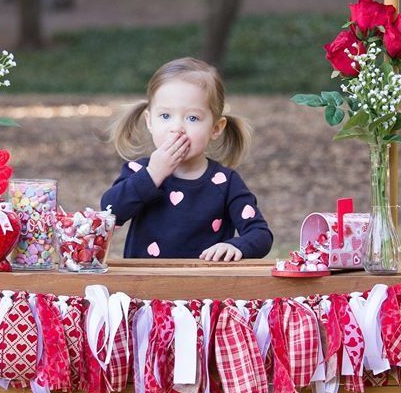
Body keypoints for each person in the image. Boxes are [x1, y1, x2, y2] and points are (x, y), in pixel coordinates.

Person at [101, 57, 273, 261]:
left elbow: (261, 234)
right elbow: (109, 214)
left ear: (216, 128)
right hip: (145, 285)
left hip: (204, 288)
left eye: (192, 118)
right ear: (149, 121)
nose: (177, 127)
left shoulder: (225, 183)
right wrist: (153, 175)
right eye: (165, 116)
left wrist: (237, 246)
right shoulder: (139, 173)